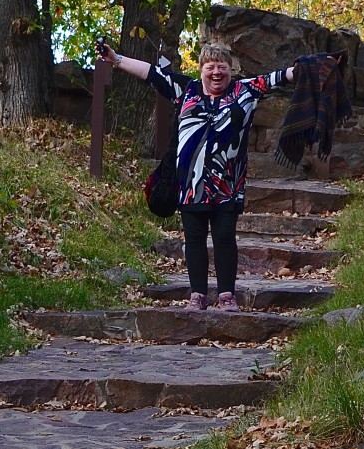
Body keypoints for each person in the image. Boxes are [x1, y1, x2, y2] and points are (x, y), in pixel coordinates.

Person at [98, 41, 294, 311]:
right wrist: (116, 58)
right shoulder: (186, 90)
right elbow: (152, 73)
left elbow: (279, 77)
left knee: (225, 238)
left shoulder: (245, 91)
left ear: (231, 69)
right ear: (201, 69)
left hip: (228, 184)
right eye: (210, 67)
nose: (216, 72)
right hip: (191, 184)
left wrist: (307, 69)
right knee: (194, 240)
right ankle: (197, 295)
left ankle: (227, 296)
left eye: (222, 67)